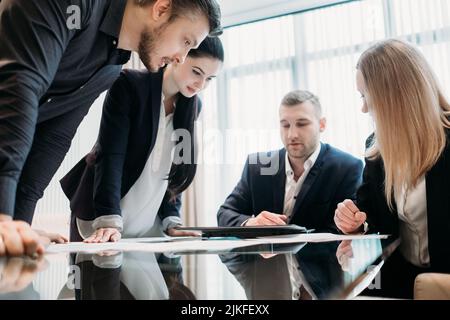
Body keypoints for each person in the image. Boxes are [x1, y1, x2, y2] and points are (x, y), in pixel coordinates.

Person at [0, 0, 222, 254]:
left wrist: (19, 224)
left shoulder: (111, 67)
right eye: (186, 41)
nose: (181, 57)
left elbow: (55, 137)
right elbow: (19, 89)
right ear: (161, 8)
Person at [61, 37, 224, 242]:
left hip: (148, 220)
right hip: (103, 212)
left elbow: (174, 168)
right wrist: (108, 220)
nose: (201, 84)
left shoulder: (193, 106)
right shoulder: (129, 85)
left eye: (210, 79)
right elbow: (111, 155)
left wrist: (172, 220)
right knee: (97, 271)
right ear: (178, 57)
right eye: (196, 72)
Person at [334, 39, 450, 298]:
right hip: (400, 277)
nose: (363, 108)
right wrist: (354, 219)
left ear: (395, 94)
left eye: (365, 96)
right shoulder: (377, 148)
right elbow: (370, 212)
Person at [217, 90, 363, 232]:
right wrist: (251, 223)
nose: (292, 134)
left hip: (322, 256)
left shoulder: (348, 168)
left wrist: (353, 225)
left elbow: (351, 225)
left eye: (302, 124)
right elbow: (225, 213)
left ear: (322, 125)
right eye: (285, 125)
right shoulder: (257, 165)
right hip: (266, 256)